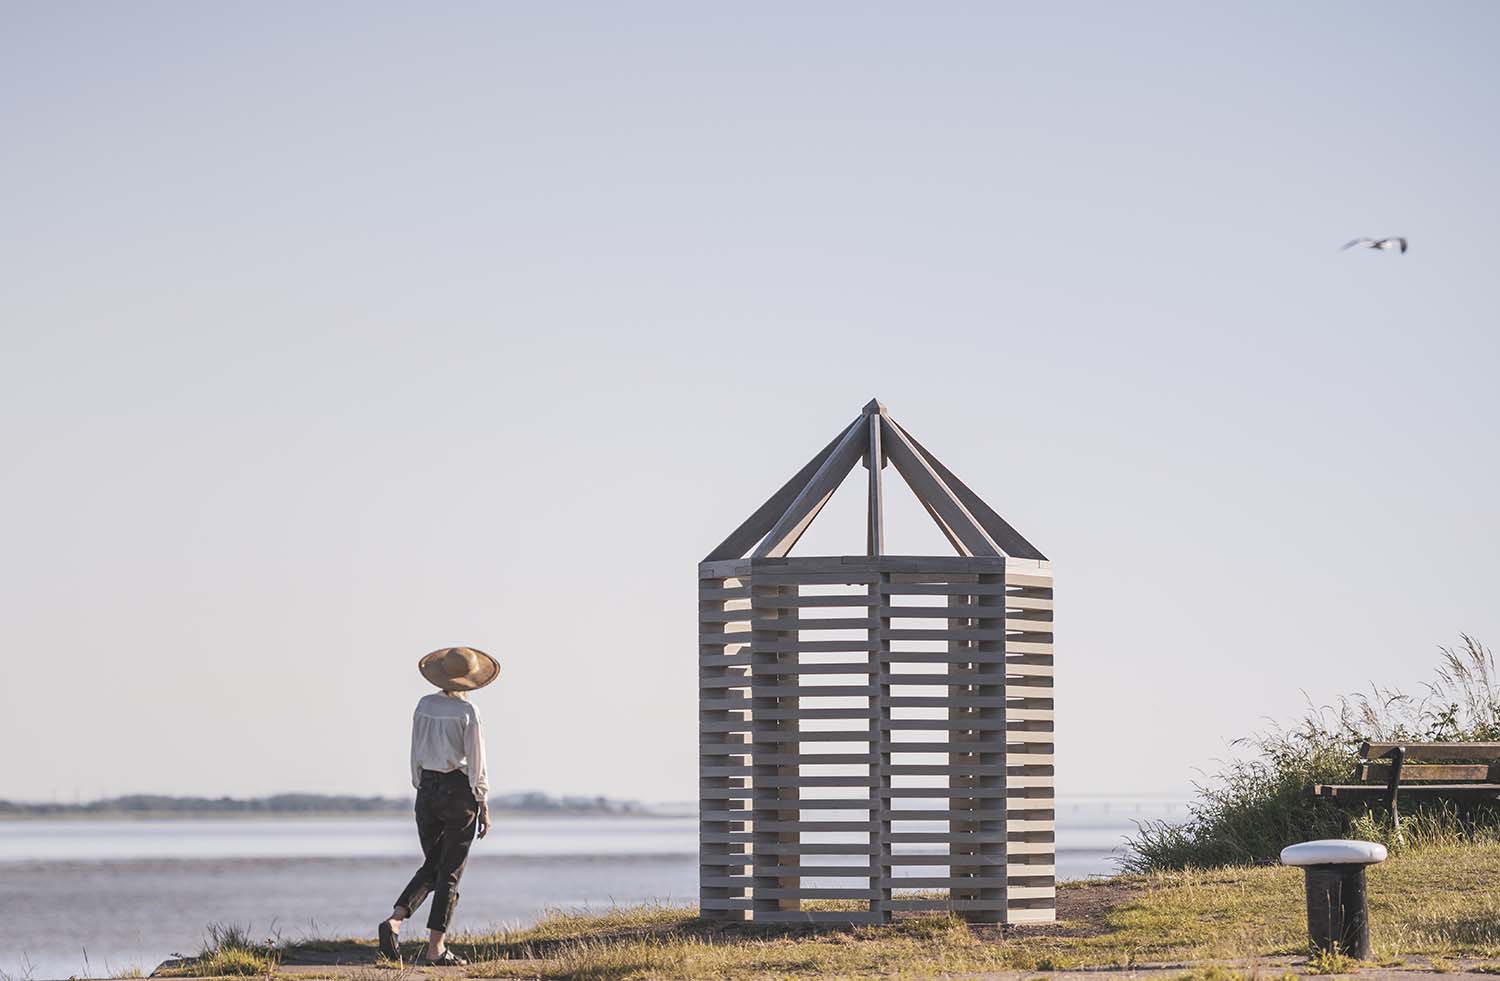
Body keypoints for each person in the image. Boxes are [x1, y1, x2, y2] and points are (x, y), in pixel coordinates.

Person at [377, 646, 498, 965]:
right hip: (459, 791)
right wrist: (482, 802)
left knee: (434, 865)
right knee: (449, 873)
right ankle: (435, 949)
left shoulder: (423, 704)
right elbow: (477, 762)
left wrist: (422, 785)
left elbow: (415, 751)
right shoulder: (468, 713)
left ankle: (395, 920)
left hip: (426, 790)